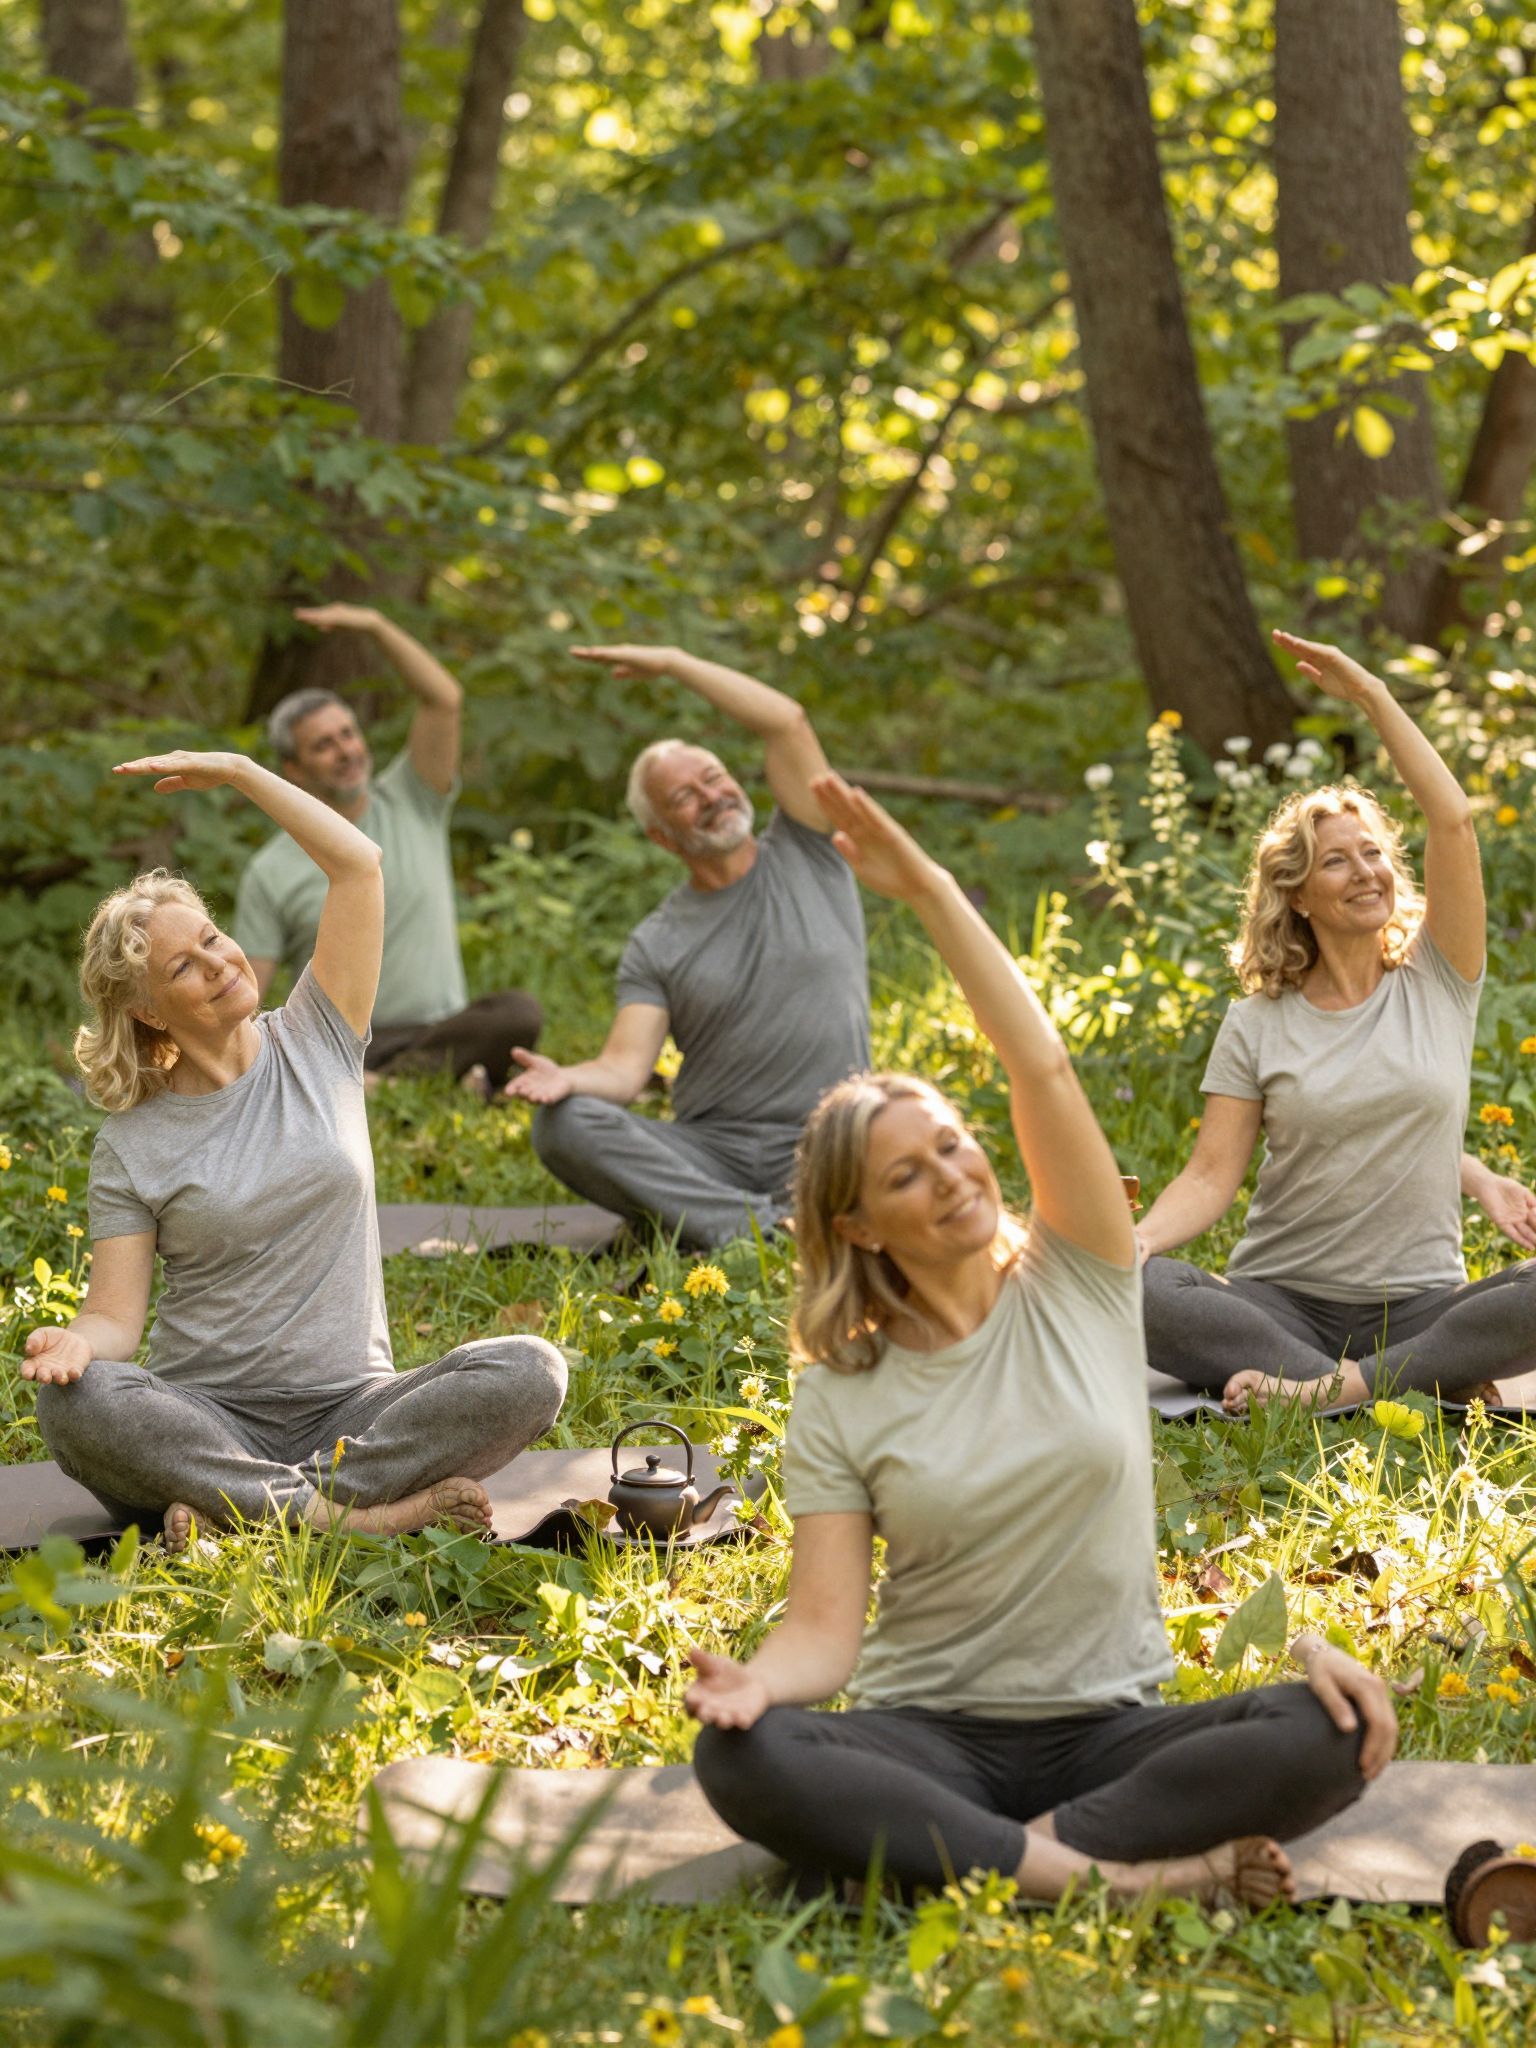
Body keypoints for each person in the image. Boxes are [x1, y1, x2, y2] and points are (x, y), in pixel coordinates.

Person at [686, 774, 1392, 1906]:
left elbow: (1040, 1065)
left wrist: (926, 887)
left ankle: (973, 1862)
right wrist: (756, 1687)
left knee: (1331, 1725)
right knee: (742, 1756)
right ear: (857, 1225)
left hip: (1110, 1732)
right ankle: (1117, 1880)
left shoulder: (1085, 1280)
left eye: (952, 1145)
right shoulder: (843, 1384)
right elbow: (822, 1633)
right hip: (929, 1737)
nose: (952, 1176)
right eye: (905, 1176)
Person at [23, 748, 566, 1550]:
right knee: (75, 1403)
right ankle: (358, 1519)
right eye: (184, 965)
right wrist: (77, 1343)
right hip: (206, 1419)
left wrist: (242, 773)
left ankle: (245, 1511)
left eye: (213, 937)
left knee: (531, 1370)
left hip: (354, 1413)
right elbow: (115, 1318)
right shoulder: (132, 1143)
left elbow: (358, 866)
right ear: (148, 1011)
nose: (219, 962)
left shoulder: (319, 1035)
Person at [1139, 630, 1536, 1414]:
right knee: (1142, 1288)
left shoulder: (1439, 980)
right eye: (1336, 861)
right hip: (1281, 1301)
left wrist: (1373, 698)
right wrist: (1139, 1239)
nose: (1366, 872)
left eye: (1374, 853)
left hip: (1421, 1305)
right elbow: (1210, 1176)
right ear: (1298, 895)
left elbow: (1453, 820)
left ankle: (1325, 1390)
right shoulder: (1256, 1023)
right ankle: (1411, 1381)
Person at [506, 644, 870, 1248]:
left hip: (833, 1140)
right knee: (563, 1124)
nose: (711, 797)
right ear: (662, 836)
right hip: (715, 1153)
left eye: (714, 778)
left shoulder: (809, 849)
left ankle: (735, 1222)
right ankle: (762, 1232)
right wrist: (565, 1077)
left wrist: (675, 664)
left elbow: (786, 721)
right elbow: (625, 1069)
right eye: (685, 797)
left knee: (894, 1138)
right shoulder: (657, 941)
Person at [235, 604, 541, 1096]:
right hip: (348, 1045)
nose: (346, 751)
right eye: (323, 745)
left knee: (517, 1014)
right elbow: (247, 991)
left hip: (444, 1031)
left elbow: (444, 699)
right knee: (305, 1058)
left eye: (348, 734)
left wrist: (375, 626)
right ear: (294, 770)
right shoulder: (270, 871)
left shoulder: (413, 798)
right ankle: (438, 1086)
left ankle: (386, 1088)